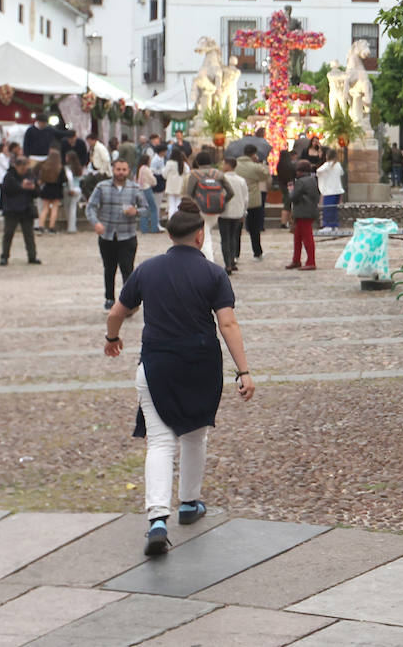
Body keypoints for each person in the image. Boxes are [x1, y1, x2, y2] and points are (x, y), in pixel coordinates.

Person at [104, 198, 255, 556]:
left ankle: (158, 519)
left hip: (157, 364)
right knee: (194, 435)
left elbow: (116, 313)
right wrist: (244, 370)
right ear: (200, 236)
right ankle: (189, 503)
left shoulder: (147, 270)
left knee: (159, 442)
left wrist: (112, 338)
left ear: (170, 236)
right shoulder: (214, 274)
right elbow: (228, 322)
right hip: (201, 365)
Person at [87, 159, 149, 310]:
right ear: (113, 170)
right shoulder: (102, 187)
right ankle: (109, 298)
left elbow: (146, 209)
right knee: (109, 268)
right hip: (107, 236)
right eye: (118, 169)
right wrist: (96, 222)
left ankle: (128, 300)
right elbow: (90, 207)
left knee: (127, 269)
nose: (121, 172)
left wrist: (136, 212)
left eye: (124, 169)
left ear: (128, 171)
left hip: (127, 236)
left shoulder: (135, 188)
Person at [183, 152, 234, 264]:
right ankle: (204, 260)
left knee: (205, 237)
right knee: (207, 233)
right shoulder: (218, 174)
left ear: (197, 162)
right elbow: (230, 192)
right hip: (216, 210)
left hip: (201, 209)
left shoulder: (195, 175)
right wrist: (222, 202)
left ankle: (208, 262)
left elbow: (189, 194)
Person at [0, 157, 42, 266]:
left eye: (25, 166)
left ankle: (32, 256)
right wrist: (20, 187)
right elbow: (6, 190)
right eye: (21, 167)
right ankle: (4, 256)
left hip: (26, 209)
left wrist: (33, 188)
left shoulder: (30, 175)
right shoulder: (9, 176)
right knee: (8, 234)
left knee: (29, 235)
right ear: (16, 166)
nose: (24, 169)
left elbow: (38, 192)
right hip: (11, 209)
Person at [235, 145, 271, 262]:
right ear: (253, 154)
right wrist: (260, 163)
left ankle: (235, 254)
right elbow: (265, 174)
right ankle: (257, 252)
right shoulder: (255, 167)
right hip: (253, 199)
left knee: (236, 229)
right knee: (255, 228)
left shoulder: (235, 165)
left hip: (238, 199)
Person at [218, 157, 250, 275]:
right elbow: (246, 198)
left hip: (224, 212)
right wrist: (244, 212)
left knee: (225, 238)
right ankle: (232, 260)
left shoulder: (222, 178)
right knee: (233, 237)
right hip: (238, 212)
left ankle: (228, 264)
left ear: (227, 165)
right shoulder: (241, 180)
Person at [286, 159, 320, 270]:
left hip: (302, 212)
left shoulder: (301, 182)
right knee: (298, 237)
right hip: (309, 211)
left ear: (300, 171)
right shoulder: (312, 180)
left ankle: (310, 261)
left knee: (306, 238)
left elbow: (293, 197)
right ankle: (296, 260)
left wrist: (290, 190)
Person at [315, 146, 344, 234]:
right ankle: (334, 225)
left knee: (327, 209)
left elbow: (318, 171)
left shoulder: (328, 165)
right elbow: (341, 173)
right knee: (334, 209)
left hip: (329, 191)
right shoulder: (338, 165)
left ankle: (327, 225)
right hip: (337, 190)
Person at [36, 150, 66, 233]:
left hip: (47, 188)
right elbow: (64, 180)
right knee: (54, 208)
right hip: (57, 189)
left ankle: (41, 226)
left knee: (45, 208)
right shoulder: (60, 168)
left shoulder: (45, 167)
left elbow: (41, 179)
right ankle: (51, 227)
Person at [137, 157, 162, 234]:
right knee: (153, 208)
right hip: (147, 188)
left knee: (144, 208)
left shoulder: (140, 168)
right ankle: (155, 227)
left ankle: (144, 228)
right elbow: (153, 180)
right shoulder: (147, 169)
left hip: (141, 189)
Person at [163, 150, 188, 218]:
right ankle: (178, 221)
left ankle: (171, 221)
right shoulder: (184, 164)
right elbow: (187, 175)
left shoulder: (169, 163)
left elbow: (164, 174)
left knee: (171, 205)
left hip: (171, 187)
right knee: (178, 204)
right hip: (180, 187)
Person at [275, 149, 296, 229]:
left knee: (287, 202)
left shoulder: (279, 165)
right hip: (290, 185)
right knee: (288, 204)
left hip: (282, 185)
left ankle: (289, 221)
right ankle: (284, 222)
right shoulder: (291, 165)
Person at [64, 151, 84, 233]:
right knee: (73, 208)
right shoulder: (79, 168)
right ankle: (72, 227)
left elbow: (69, 179)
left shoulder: (68, 168)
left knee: (69, 209)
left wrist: (71, 189)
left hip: (70, 189)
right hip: (78, 188)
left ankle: (70, 226)